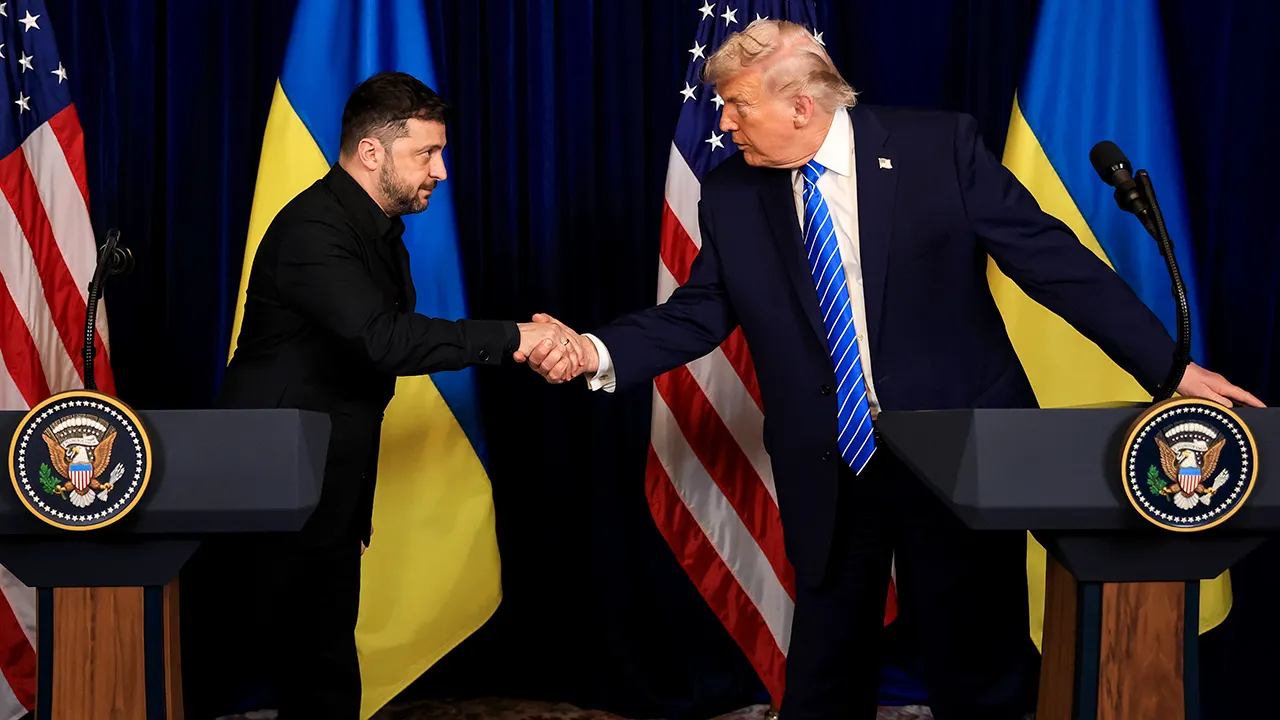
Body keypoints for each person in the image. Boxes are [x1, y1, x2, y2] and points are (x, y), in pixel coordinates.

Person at [523, 20, 1263, 720]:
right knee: (825, 668)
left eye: (738, 105)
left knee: (975, 664)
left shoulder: (938, 148)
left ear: (801, 106)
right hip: (831, 457)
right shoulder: (732, 194)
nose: (724, 122)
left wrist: (1169, 369)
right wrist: (593, 350)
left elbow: (1053, 264)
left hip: (961, 445)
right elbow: (699, 312)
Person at [212, 71, 581, 719]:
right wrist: (515, 337)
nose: (440, 171)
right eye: (426, 153)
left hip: (325, 480)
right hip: (273, 482)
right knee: (302, 665)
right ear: (371, 152)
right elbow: (382, 341)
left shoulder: (378, 231)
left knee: (325, 663)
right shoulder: (313, 229)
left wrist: (351, 506)